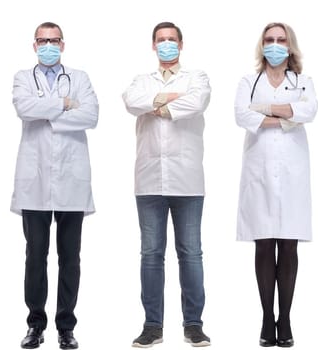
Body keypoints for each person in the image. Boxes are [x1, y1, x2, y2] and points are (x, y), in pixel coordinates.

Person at [122, 21, 212, 348]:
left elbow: (197, 102)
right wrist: (170, 98)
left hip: (187, 180)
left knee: (191, 253)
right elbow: (132, 101)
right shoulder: (139, 81)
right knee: (150, 254)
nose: (167, 44)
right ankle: (152, 326)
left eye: (172, 39)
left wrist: (158, 104)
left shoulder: (197, 78)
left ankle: (194, 325)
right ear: (153, 45)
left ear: (181, 44)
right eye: (161, 40)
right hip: (148, 181)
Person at [11, 21, 98, 350]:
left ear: (63, 44)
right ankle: (35, 324)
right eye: (42, 41)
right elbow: (24, 109)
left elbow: (91, 116)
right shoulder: (22, 78)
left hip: (71, 179)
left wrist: (47, 111)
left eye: (54, 40)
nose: (48, 45)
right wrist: (65, 104)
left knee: (70, 257)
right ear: (34, 45)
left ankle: (66, 326)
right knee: (35, 256)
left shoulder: (80, 78)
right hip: (34, 180)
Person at [234, 22, 318, 348]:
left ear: (290, 45)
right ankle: (267, 319)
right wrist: (287, 115)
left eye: (281, 40)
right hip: (259, 169)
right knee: (264, 244)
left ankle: (286, 319)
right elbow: (241, 114)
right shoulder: (248, 81)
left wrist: (263, 110)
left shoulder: (303, 81)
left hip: (294, 170)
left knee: (289, 245)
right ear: (262, 44)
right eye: (269, 40)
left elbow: (309, 111)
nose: (275, 45)